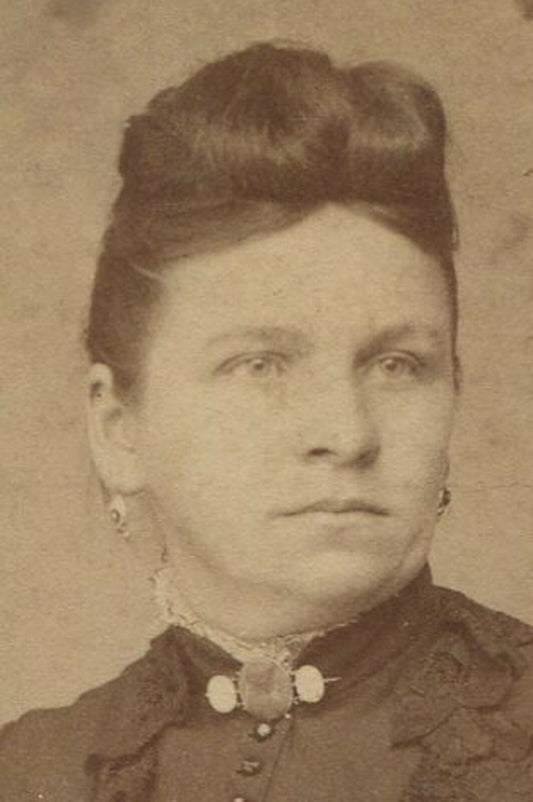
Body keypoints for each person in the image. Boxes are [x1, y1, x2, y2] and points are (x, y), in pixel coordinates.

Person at [1, 41, 531, 802]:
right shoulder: (32, 772)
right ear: (119, 428)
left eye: (397, 364)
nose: (347, 434)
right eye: (260, 365)